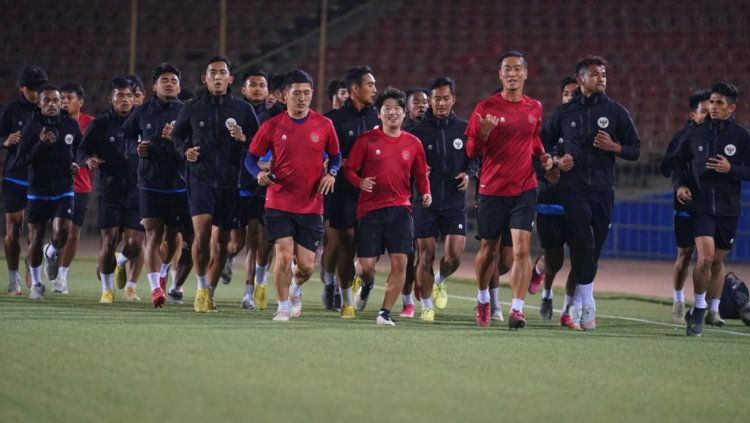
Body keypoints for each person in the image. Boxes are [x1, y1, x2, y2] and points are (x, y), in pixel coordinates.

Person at [545, 55, 640, 331]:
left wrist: (615, 147)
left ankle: (580, 301)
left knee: (593, 250)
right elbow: (541, 144)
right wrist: (555, 159)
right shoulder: (564, 113)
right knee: (583, 242)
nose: (602, 78)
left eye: (604, 74)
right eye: (596, 74)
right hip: (572, 189)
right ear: (581, 79)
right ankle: (588, 305)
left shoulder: (617, 112)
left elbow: (635, 149)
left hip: (603, 189)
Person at [466, 51, 552, 329]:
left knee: (522, 250)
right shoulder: (485, 107)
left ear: (526, 73)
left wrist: (543, 156)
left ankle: (517, 310)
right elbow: (471, 150)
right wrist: (483, 135)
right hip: (492, 189)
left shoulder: (534, 107)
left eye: (517, 69)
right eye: (507, 69)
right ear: (500, 75)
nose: (512, 74)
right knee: (489, 251)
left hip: (524, 188)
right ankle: (482, 301)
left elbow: (534, 138)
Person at [247, 69, 340, 321]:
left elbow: (336, 155)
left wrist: (331, 172)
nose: (302, 98)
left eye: (307, 93)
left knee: (307, 266)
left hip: (312, 204)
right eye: (296, 93)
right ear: (284, 95)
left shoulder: (324, 125)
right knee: (284, 255)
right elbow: (250, 158)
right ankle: (283, 305)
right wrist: (258, 174)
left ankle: (296, 289)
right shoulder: (272, 125)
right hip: (279, 200)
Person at [172, 56, 259, 313]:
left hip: (230, 182)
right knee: (202, 232)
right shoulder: (191, 108)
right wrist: (184, 150)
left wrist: (244, 138)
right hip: (199, 179)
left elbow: (258, 143)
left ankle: (210, 290)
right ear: (205, 79)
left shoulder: (243, 109)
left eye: (223, 73)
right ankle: (200, 288)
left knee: (221, 242)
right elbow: (178, 137)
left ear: (231, 79)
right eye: (213, 73)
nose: (218, 77)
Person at [343, 87, 431, 326]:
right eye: (387, 109)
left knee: (401, 262)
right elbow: (349, 169)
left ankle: (384, 312)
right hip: (370, 210)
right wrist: (360, 182)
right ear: (379, 114)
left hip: (401, 209)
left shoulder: (413, 143)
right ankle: (367, 283)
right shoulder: (366, 141)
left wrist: (425, 193)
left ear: (404, 114)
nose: (392, 113)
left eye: (397, 109)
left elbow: (421, 173)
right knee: (366, 267)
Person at [672, 82, 750, 336]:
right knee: (704, 258)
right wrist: (680, 185)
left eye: (719, 104)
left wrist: (732, 170)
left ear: (732, 108)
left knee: (717, 261)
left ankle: (710, 307)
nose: (714, 107)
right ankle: (700, 307)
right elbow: (677, 164)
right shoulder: (695, 134)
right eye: (712, 103)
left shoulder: (742, 136)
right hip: (701, 206)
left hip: (728, 209)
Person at [409, 76, 474, 322]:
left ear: (453, 99)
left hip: (455, 201)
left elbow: (475, 157)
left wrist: (470, 173)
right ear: (430, 101)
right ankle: (426, 306)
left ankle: (440, 280)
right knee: (425, 255)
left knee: (454, 255)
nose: (442, 103)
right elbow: (403, 160)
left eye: (446, 98)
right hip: (424, 202)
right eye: (437, 99)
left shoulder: (464, 129)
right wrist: (415, 172)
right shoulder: (416, 131)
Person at [122, 63, 186, 307]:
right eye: (164, 80)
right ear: (154, 86)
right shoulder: (142, 111)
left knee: (171, 238)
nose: (169, 84)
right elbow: (127, 136)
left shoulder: (186, 112)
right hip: (149, 183)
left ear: (179, 87)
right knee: (152, 235)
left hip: (178, 184)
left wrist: (175, 138)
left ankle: (162, 273)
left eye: (173, 80)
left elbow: (194, 143)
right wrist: (136, 149)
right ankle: (155, 289)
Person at [78, 77, 144, 303]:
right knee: (109, 239)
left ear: (134, 99)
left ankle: (120, 261)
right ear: (111, 99)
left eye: (128, 96)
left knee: (135, 243)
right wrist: (87, 159)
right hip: (110, 189)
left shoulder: (143, 122)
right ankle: (107, 290)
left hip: (137, 189)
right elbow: (82, 149)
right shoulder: (100, 124)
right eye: (120, 96)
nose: (124, 100)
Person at [16, 84, 82, 299]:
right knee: (35, 238)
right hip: (38, 189)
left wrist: (76, 163)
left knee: (63, 233)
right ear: (39, 103)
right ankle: (36, 284)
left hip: (64, 187)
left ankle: (51, 252)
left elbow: (80, 150)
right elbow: (22, 159)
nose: (53, 104)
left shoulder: (70, 125)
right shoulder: (31, 127)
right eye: (48, 101)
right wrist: (41, 145)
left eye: (56, 100)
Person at [323, 65, 379, 318]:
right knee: (343, 245)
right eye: (370, 85)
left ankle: (360, 283)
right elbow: (324, 155)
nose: (374, 90)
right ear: (355, 89)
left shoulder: (377, 119)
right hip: (341, 193)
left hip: (371, 194)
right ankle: (344, 298)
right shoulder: (333, 121)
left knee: (363, 248)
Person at [659, 90, 710, 324]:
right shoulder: (683, 138)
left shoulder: (722, 136)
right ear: (693, 114)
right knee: (685, 254)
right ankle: (679, 300)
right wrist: (679, 184)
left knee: (711, 258)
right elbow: (669, 166)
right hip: (687, 201)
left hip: (712, 206)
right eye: (704, 111)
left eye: (712, 110)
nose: (709, 116)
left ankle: (712, 306)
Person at [530, 76, 578, 321]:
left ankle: (568, 310)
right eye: (567, 94)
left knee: (580, 260)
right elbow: (533, 155)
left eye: (575, 94)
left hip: (579, 204)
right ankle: (547, 292)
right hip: (550, 203)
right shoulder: (551, 124)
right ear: (561, 97)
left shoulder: (587, 127)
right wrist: (547, 171)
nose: (570, 98)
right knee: (554, 261)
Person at [1, 65, 47, 295]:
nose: (37, 94)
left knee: (36, 231)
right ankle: (13, 279)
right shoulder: (10, 111)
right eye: (32, 89)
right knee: (13, 229)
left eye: (40, 89)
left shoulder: (48, 110)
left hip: (40, 179)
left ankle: (32, 272)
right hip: (15, 178)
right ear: (22, 89)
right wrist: (5, 141)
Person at [50, 81, 95, 294]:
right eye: (63, 98)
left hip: (82, 186)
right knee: (58, 232)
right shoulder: (52, 123)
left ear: (81, 102)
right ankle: (49, 252)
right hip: (56, 185)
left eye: (69, 98)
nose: (65, 102)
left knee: (74, 233)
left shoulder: (91, 124)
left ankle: (62, 276)